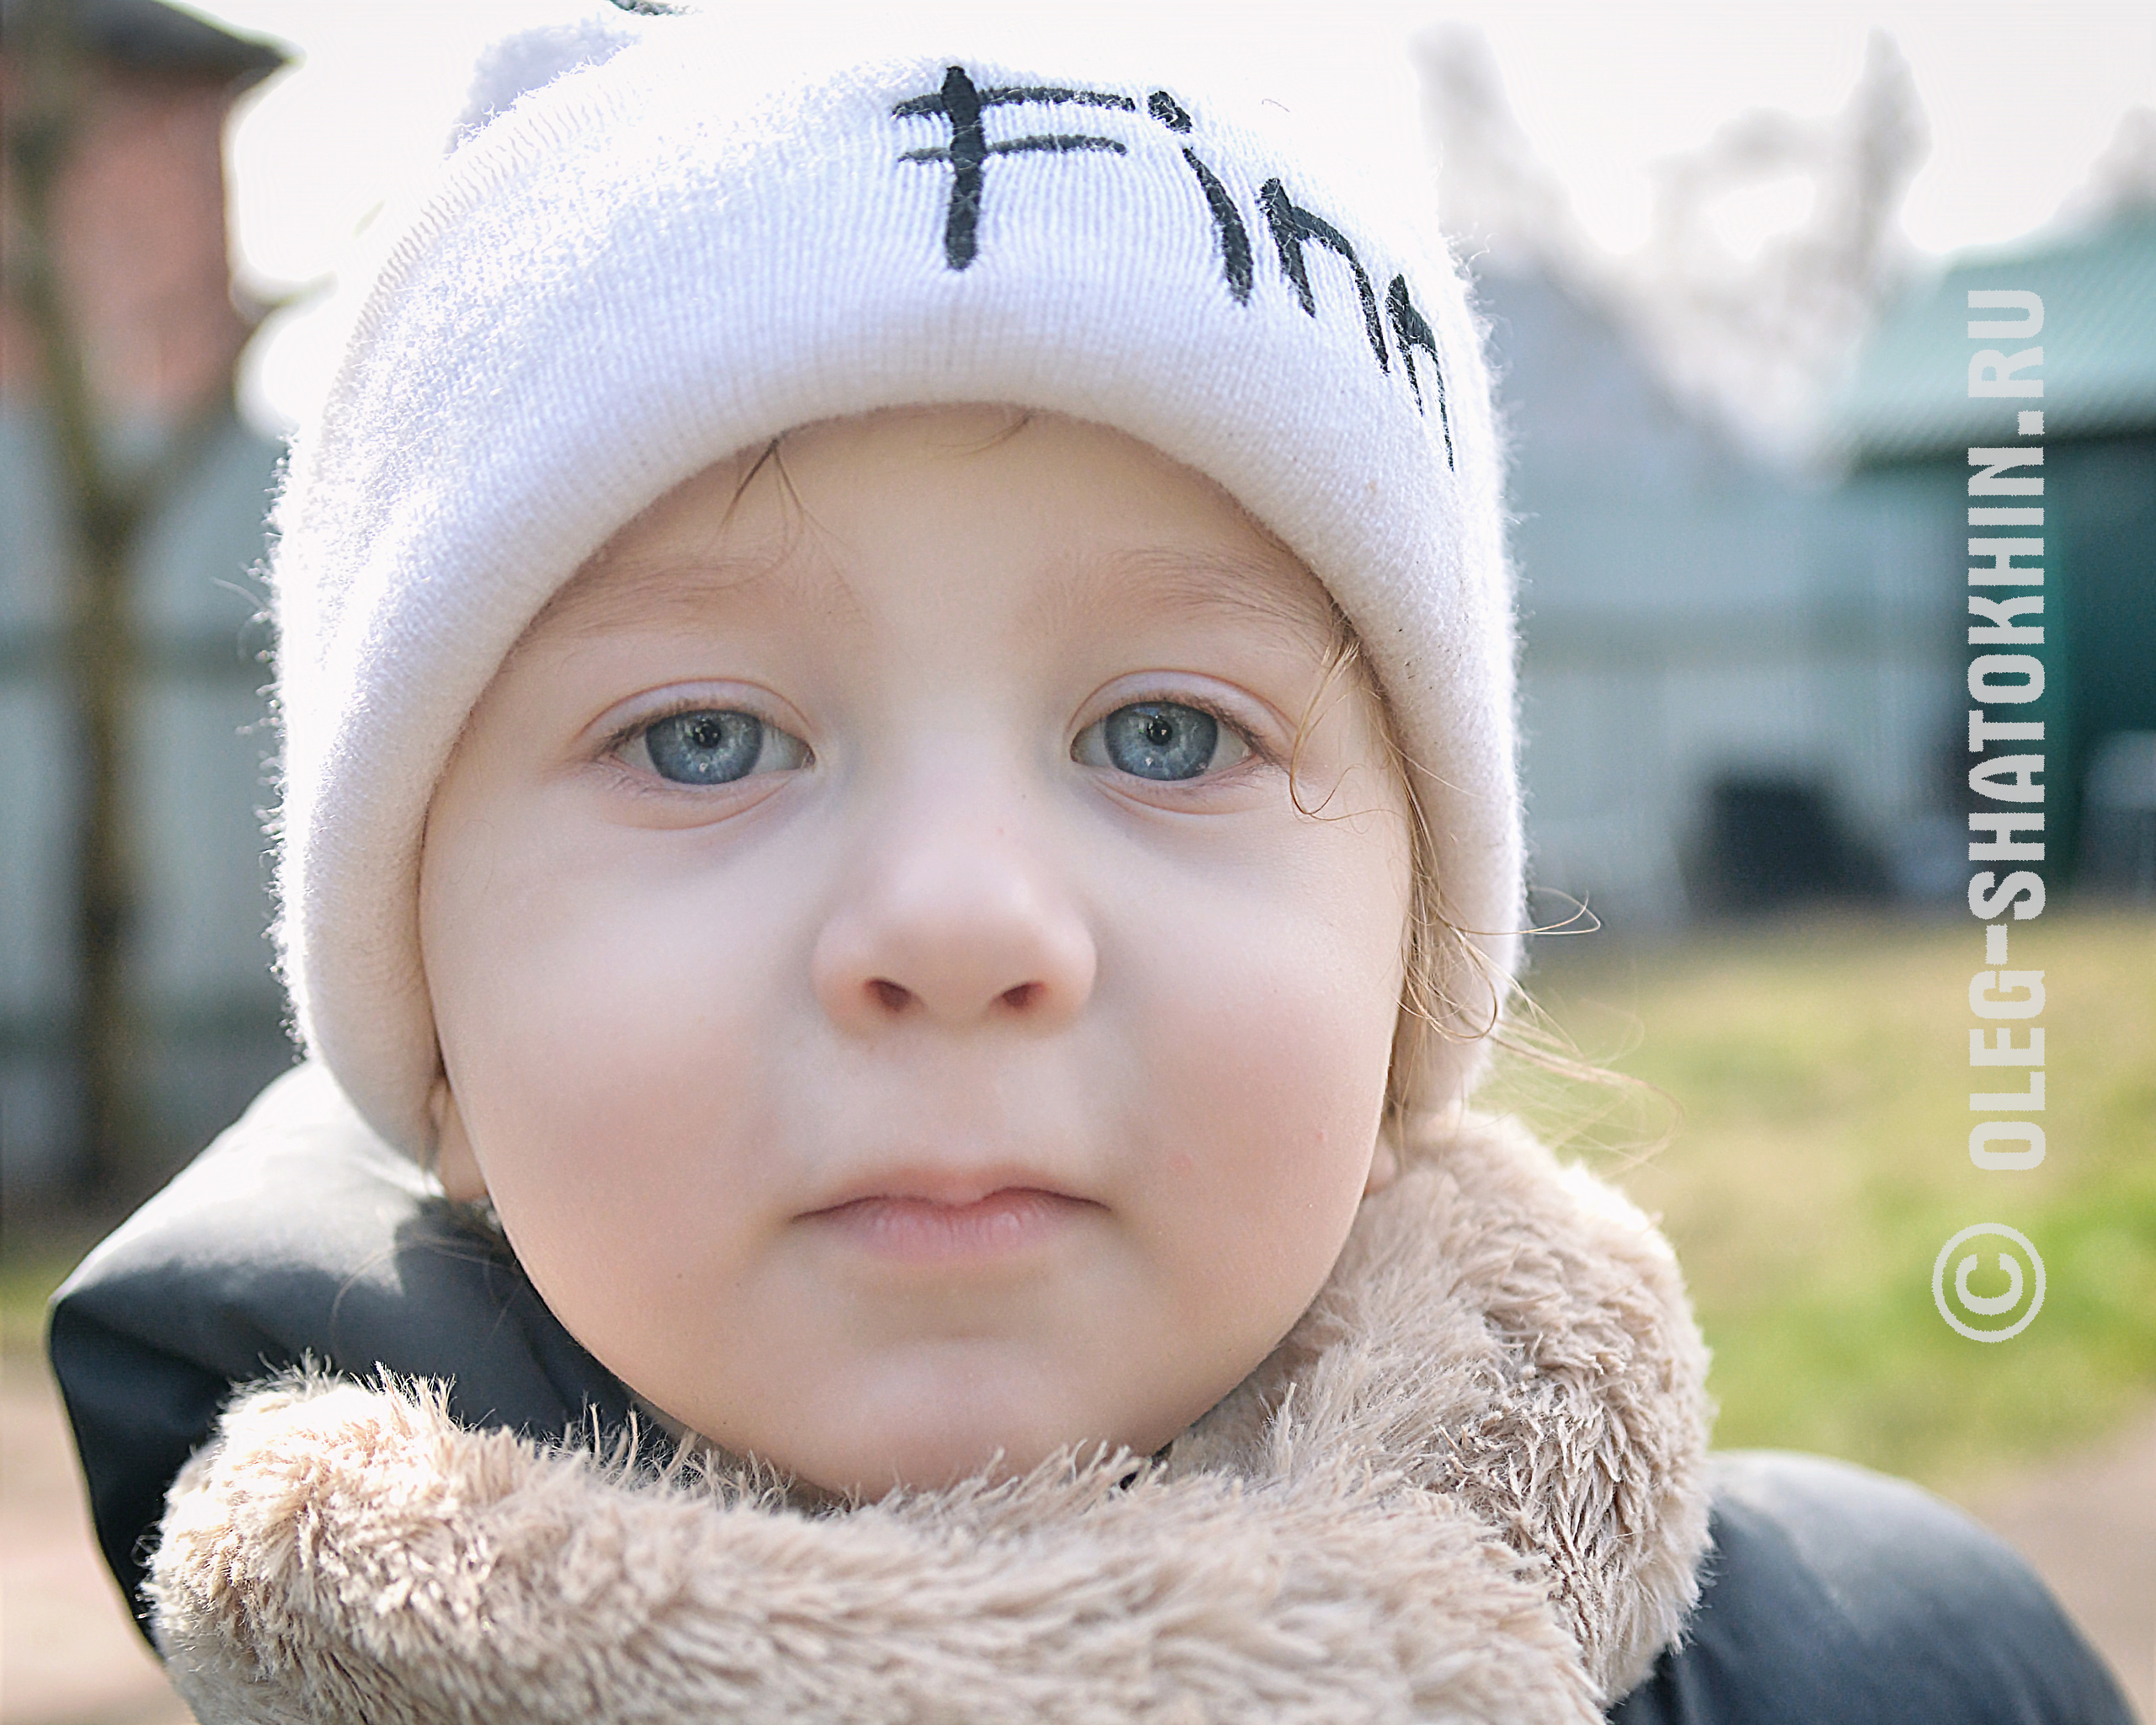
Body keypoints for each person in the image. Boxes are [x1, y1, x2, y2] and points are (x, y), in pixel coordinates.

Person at [47, 15, 2131, 1722]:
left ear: (1412, 968)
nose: (961, 926)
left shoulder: (1890, 1670)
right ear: (430, 1026)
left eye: (1165, 734)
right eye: (702, 739)